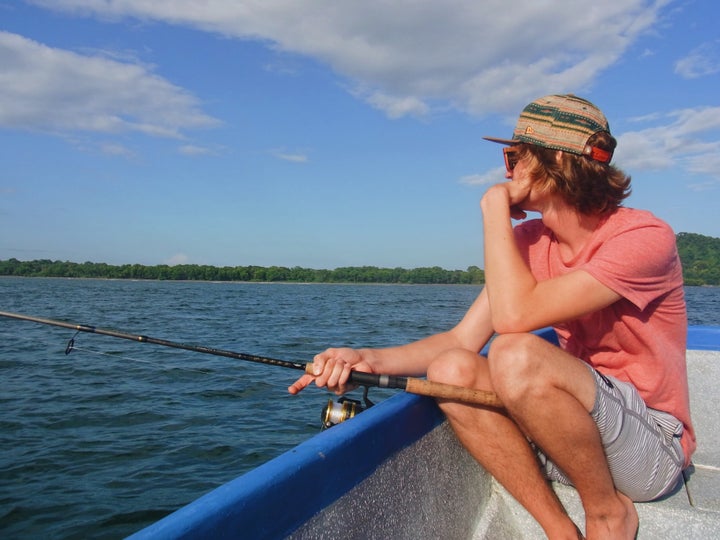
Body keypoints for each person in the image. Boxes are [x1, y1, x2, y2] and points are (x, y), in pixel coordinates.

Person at [289, 94, 695, 540]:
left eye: (515, 157)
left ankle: (606, 513)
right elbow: (462, 340)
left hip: (652, 446)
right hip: (571, 441)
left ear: (555, 159)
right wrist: (363, 357)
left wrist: (492, 208)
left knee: (515, 352)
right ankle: (559, 529)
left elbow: (515, 318)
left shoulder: (644, 238)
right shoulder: (528, 242)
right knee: (452, 368)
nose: (508, 171)